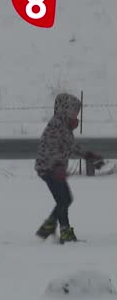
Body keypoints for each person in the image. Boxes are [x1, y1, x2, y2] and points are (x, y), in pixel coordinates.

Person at [34, 92, 103, 243]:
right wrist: (58, 166)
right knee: (63, 200)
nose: (75, 116)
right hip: (48, 168)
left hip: (54, 169)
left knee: (66, 199)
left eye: (77, 113)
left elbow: (71, 147)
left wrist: (88, 155)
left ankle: (48, 226)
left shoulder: (64, 127)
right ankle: (64, 231)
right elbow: (50, 149)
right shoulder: (56, 126)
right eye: (73, 113)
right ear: (63, 111)